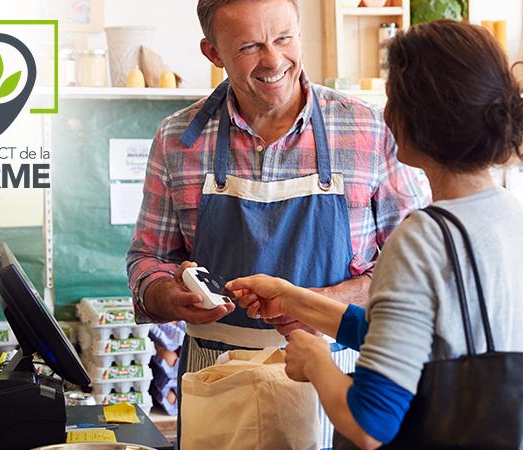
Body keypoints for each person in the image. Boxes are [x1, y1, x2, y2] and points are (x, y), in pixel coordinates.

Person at [228, 19, 523, 450]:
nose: (385, 112)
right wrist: (294, 299)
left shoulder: (422, 238)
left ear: (416, 117)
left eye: (393, 96)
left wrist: (316, 361)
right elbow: (422, 342)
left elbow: (369, 424)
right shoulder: (513, 217)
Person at [125, 0, 430, 446]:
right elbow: (147, 258)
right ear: (213, 53)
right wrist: (166, 294)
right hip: (216, 380)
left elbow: (414, 270)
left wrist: (314, 305)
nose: (273, 60)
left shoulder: (366, 127)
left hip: (334, 376)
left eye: (284, 38)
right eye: (250, 46)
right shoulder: (177, 139)